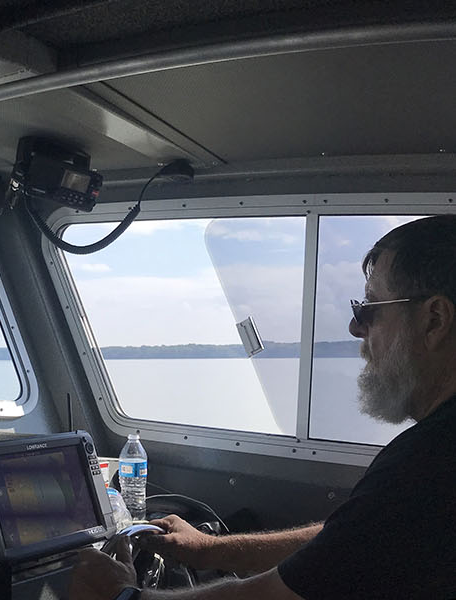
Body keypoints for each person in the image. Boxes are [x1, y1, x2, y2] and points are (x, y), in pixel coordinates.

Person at [72, 215, 456, 600]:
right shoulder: (428, 458)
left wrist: (122, 595)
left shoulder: (427, 463)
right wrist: (211, 549)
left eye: (370, 308)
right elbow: (354, 537)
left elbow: (272, 597)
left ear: (434, 320)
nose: (356, 329)